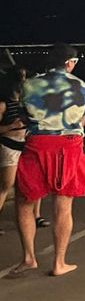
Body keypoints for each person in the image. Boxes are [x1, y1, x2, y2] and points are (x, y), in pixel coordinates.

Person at [10, 44, 85, 276]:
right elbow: (82, 122)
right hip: (69, 145)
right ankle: (59, 262)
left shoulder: (28, 85)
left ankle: (28, 257)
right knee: (63, 204)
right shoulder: (84, 88)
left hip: (37, 143)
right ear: (70, 63)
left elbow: (24, 116)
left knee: (24, 200)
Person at [0, 68, 29, 232]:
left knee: (24, 185)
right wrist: (12, 126)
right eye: (20, 78)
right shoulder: (4, 105)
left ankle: (33, 217)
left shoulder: (24, 104)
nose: (23, 81)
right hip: (9, 144)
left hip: (24, 145)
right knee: (6, 185)